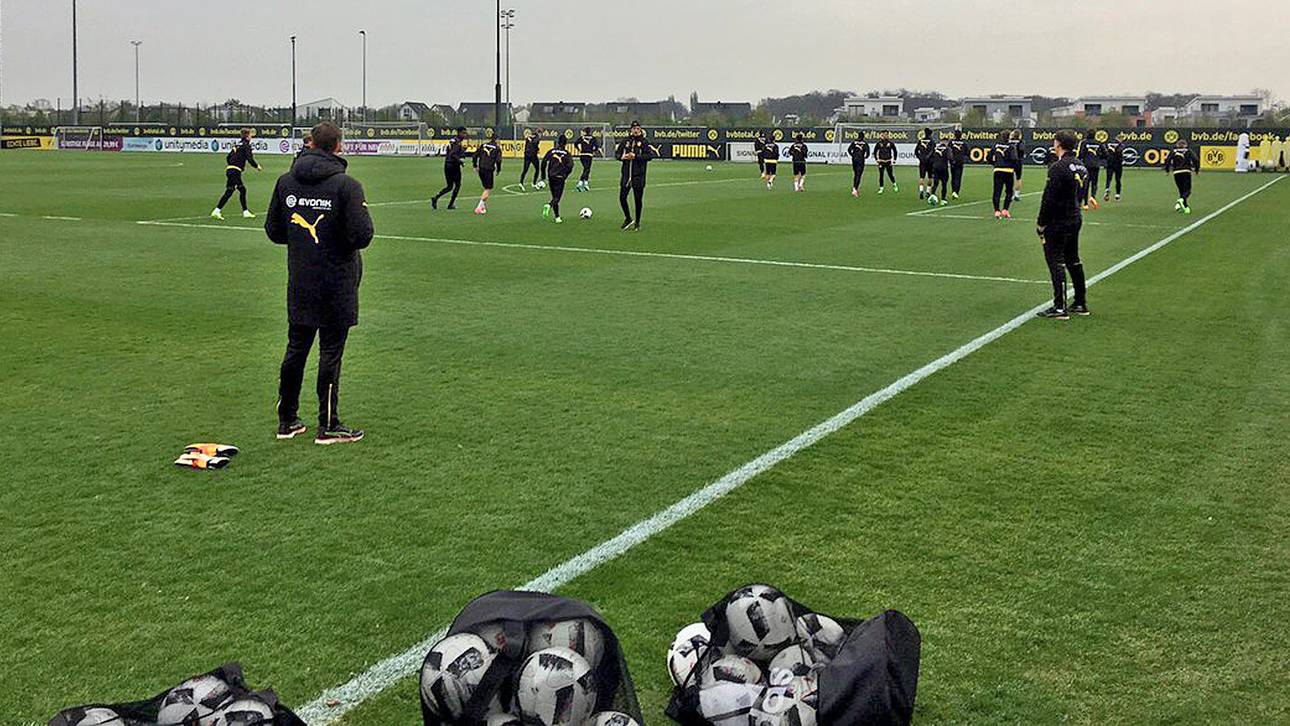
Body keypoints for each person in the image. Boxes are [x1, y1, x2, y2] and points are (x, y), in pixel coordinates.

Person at [264, 122, 373, 444]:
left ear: (311, 143)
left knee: (296, 348)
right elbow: (362, 235)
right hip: (336, 280)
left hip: (300, 279)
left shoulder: (286, 182)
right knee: (330, 352)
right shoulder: (346, 186)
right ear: (338, 146)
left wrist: (306, 241)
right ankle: (328, 425)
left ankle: (287, 420)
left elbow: (274, 231)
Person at [1035, 129, 1090, 320]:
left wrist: (1041, 223)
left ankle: (1060, 307)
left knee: (1055, 261)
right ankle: (1081, 302)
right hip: (1075, 217)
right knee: (1073, 259)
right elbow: (1082, 194)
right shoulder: (1081, 166)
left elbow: (1048, 198)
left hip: (1058, 221)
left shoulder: (1058, 167)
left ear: (1058, 144)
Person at [211, 128, 262, 220]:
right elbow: (249, 158)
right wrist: (257, 166)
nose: (251, 137)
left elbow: (228, 156)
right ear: (247, 136)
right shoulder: (246, 146)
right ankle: (217, 210)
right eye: (250, 135)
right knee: (230, 190)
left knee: (242, 190)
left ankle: (245, 211)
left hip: (231, 170)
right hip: (235, 171)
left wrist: (231, 164)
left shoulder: (237, 145)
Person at [615, 121, 655, 230]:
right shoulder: (626, 141)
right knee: (622, 197)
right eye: (634, 128)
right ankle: (628, 218)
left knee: (638, 200)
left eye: (638, 128)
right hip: (626, 175)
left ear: (640, 130)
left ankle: (637, 222)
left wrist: (636, 156)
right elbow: (617, 154)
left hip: (638, 175)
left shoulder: (644, 142)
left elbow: (650, 156)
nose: (636, 130)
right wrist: (622, 157)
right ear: (631, 130)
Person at [541, 132, 575, 223]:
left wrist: (544, 176)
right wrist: (565, 175)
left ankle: (557, 217)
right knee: (557, 198)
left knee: (554, 196)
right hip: (560, 177)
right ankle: (549, 205)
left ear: (558, 142)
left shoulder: (552, 151)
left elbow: (543, 162)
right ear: (565, 143)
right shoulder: (567, 153)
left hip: (551, 176)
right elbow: (571, 166)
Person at [431, 127, 468, 210]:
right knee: (457, 185)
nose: (465, 135)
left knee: (450, 186)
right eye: (463, 133)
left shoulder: (453, 141)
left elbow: (450, 152)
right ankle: (450, 204)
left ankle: (436, 198)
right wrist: (460, 161)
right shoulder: (457, 142)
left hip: (447, 165)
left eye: (465, 133)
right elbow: (453, 154)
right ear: (458, 133)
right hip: (453, 166)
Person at [989, 130, 1020, 220]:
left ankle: (997, 211)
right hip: (1008, 171)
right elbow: (1014, 159)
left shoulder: (996, 145)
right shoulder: (1011, 146)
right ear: (1009, 137)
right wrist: (1014, 168)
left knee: (997, 191)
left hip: (998, 170)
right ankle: (1005, 209)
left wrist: (994, 164)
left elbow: (989, 157)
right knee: (1009, 191)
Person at [1164, 139, 1200, 214]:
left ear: (1177, 145)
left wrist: (1167, 170)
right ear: (1185, 145)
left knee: (1181, 190)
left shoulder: (1173, 151)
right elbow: (1196, 160)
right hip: (1186, 171)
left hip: (1176, 172)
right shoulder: (1188, 151)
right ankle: (1182, 200)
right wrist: (1196, 170)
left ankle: (1185, 207)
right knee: (1188, 190)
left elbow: (1167, 160)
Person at [472, 128, 503, 215]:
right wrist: (499, 169)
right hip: (489, 169)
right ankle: (479, 207)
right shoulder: (497, 148)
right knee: (488, 189)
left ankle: (483, 206)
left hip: (481, 169)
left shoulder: (483, 145)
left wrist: (475, 165)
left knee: (485, 187)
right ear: (496, 140)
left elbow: (474, 156)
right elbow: (499, 161)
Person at [1076, 129, 1105, 211]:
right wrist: (1098, 158)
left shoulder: (1084, 142)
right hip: (1096, 165)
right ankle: (1092, 196)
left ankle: (1085, 204)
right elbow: (1105, 154)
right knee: (1094, 183)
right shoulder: (1099, 143)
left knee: (1085, 184)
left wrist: (1080, 160)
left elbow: (1080, 154)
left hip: (1086, 165)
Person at [927, 134, 952, 205]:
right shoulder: (948, 149)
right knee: (944, 184)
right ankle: (943, 200)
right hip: (944, 168)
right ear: (946, 142)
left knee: (935, 183)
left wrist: (934, 163)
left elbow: (929, 157)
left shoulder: (935, 148)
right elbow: (950, 158)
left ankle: (932, 196)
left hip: (936, 167)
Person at [575, 126, 601, 191]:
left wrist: (579, 149)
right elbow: (597, 147)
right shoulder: (593, 138)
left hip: (582, 155)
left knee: (586, 169)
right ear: (590, 131)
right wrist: (593, 150)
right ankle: (580, 182)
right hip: (589, 155)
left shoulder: (582, 137)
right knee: (587, 169)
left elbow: (575, 143)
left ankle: (585, 183)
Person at [847, 131, 870, 197]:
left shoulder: (854, 142)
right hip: (860, 160)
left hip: (854, 159)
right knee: (859, 175)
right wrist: (865, 157)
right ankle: (855, 189)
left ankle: (854, 188)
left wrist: (852, 155)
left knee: (856, 173)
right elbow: (867, 152)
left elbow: (849, 149)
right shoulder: (865, 143)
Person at [1103, 136, 1125, 201]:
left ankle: (1107, 189)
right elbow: (1119, 152)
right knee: (1118, 179)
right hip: (1118, 164)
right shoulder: (1121, 145)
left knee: (1108, 178)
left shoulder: (1109, 144)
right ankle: (1117, 194)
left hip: (1110, 163)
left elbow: (1106, 153)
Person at [915, 127, 934, 199]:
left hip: (922, 161)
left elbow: (916, 151)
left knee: (921, 177)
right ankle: (928, 192)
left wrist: (920, 157)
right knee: (930, 177)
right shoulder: (932, 141)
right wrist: (929, 157)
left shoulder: (921, 141)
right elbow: (933, 151)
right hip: (930, 162)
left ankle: (921, 191)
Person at [949, 128, 968, 199]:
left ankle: (953, 191)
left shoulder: (951, 142)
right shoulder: (964, 143)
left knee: (953, 177)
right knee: (958, 177)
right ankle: (956, 192)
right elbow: (967, 152)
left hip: (952, 162)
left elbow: (948, 151)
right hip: (960, 162)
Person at [1009, 129, 1027, 202]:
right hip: (1018, 161)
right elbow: (1022, 149)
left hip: (1010, 162)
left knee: (1009, 178)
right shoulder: (1021, 141)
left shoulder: (1009, 141)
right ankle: (1016, 194)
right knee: (1018, 178)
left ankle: (1009, 194)